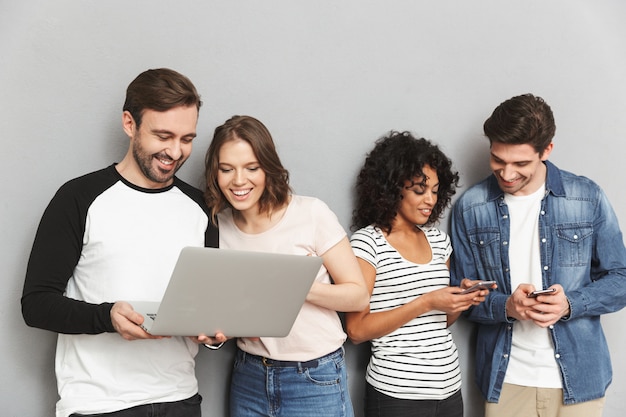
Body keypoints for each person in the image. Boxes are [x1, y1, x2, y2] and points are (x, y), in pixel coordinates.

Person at [21, 68, 225, 417]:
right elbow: (36, 305)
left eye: (187, 139)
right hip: (98, 405)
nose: (175, 152)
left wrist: (212, 332)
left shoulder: (202, 207)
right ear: (129, 124)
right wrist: (107, 317)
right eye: (163, 135)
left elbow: (204, 306)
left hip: (181, 399)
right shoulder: (79, 198)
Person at [450, 93, 626, 417]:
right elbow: (461, 294)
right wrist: (507, 306)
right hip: (506, 380)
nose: (506, 173)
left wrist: (571, 303)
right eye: (497, 160)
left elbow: (621, 279)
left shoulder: (586, 197)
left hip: (580, 380)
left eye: (520, 163)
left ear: (547, 151)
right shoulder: (471, 207)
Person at [203, 115, 369, 417]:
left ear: (268, 168)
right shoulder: (218, 227)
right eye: (226, 169)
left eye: (251, 168)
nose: (238, 181)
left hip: (314, 378)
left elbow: (358, 296)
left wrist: (297, 285)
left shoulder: (310, 213)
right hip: (249, 375)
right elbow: (228, 307)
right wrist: (219, 331)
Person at [346, 131, 491, 417]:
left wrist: (460, 299)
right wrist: (425, 302)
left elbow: (442, 320)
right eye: (419, 190)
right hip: (396, 395)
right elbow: (356, 330)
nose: (430, 200)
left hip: (449, 389)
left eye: (435, 190)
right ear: (392, 188)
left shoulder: (439, 241)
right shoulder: (368, 243)